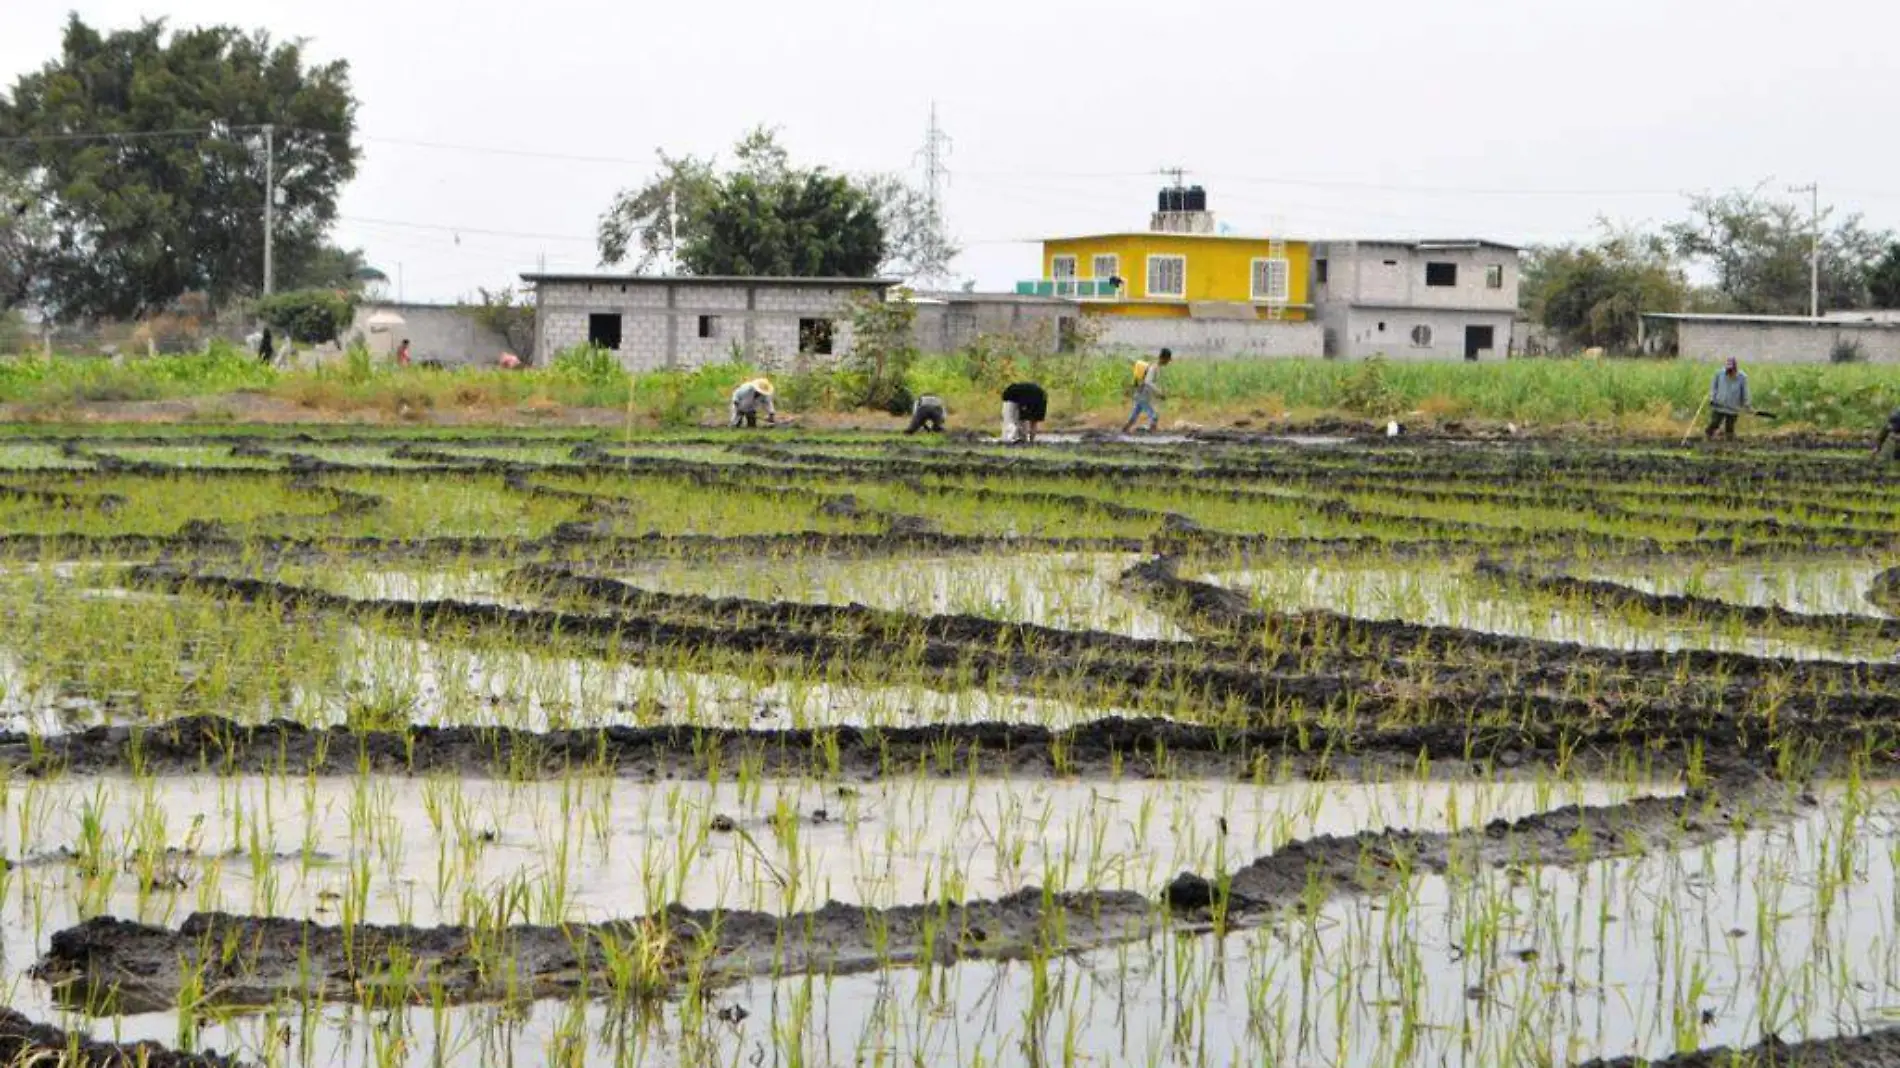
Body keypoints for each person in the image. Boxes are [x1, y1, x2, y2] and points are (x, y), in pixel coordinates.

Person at [1123, 348, 1172, 433]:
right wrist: (1159, 393)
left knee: (1133, 417)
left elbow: (1150, 383)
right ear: (1164, 358)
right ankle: (1152, 435)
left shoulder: (1156, 367)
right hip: (1142, 395)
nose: (1168, 362)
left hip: (1141, 394)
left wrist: (1158, 393)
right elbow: (1148, 382)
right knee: (1154, 416)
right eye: (1168, 359)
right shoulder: (1154, 368)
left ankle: (1123, 431)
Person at [1705, 357, 1750, 439]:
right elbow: (1713, 387)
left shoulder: (1742, 377)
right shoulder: (1718, 374)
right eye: (1728, 370)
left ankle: (1729, 444)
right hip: (1719, 404)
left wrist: (1746, 404)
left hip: (1733, 406)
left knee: (1729, 427)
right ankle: (1708, 437)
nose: (1729, 373)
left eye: (1731, 370)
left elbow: (1745, 392)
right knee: (1714, 423)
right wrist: (1712, 398)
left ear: (1735, 369)